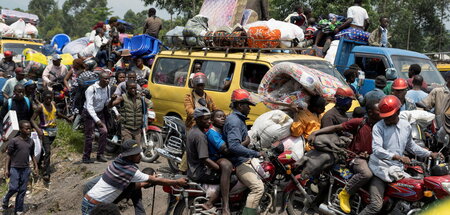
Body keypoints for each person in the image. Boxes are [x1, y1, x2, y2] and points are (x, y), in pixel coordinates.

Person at [361, 95, 441, 215]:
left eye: (389, 116)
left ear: (398, 112)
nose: (386, 119)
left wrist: (430, 153)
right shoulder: (378, 127)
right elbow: (376, 149)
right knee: (376, 206)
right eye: (385, 116)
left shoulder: (406, 126)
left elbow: (411, 146)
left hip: (397, 170)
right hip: (380, 170)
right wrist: (397, 157)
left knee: (417, 190)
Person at [308, 101, 381, 213]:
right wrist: (315, 133)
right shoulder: (359, 122)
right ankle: (345, 193)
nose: (382, 113)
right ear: (370, 113)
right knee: (366, 174)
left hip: (373, 159)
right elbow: (336, 128)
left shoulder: (382, 126)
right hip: (356, 159)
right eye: (379, 111)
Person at [82, 139, 188, 215]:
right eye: (137, 154)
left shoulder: (119, 161)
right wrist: (176, 182)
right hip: (94, 207)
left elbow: (139, 184)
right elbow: (154, 180)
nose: (141, 156)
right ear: (130, 156)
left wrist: (151, 181)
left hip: (90, 201)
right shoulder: (130, 172)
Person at [223, 89, 264, 215]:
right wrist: (255, 154)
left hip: (241, 158)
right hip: (238, 161)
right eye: (247, 105)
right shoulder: (234, 121)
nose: (250, 108)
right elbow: (234, 146)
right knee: (258, 188)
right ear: (240, 105)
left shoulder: (238, 119)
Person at [186, 108, 233, 215]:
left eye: (209, 119)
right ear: (197, 120)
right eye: (206, 119)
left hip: (193, 168)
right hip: (199, 172)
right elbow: (204, 159)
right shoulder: (200, 136)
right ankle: (212, 204)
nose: (209, 121)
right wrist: (220, 169)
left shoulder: (193, 130)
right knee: (230, 178)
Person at [83, 167, 156, 215]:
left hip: (106, 203)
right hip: (92, 198)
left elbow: (139, 209)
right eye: (152, 183)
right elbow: (88, 185)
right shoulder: (126, 179)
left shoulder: (136, 189)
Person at [2, 120, 38, 214]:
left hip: (26, 168)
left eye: (30, 128)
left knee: (22, 190)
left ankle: (18, 209)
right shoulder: (14, 141)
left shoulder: (31, 142)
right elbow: (9, 155)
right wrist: (6, 169)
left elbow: (32, 155)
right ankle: (6, 198)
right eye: (27, 129)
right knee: (14, 188)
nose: (29, 130)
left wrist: (36, 166)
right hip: (15, 168)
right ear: (21, 129)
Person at [32, 90, 69, 181]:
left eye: (50, 98)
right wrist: (38, 130)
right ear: (43, 98)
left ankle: (39, 163)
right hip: (44, 131)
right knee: (48, 151)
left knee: (45, 150)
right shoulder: (40, 107)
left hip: (53, 131)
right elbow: (32, 120)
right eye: (47, 98)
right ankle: (46, 173)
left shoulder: (53, 104)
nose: (49, 100)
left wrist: (67, 118)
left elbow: (57, 113)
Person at [82, 72, 111, 163]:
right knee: (90, 136)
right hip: (89, 114)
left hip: (100, 112)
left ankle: (100, 155)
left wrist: (114, 109)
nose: (107, 81)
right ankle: (86, 157)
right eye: (105, 79)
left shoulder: (108, 88)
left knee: (104, 132)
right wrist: (97, 120)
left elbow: (107, 102)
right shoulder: (91, 89)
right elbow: (89, 106)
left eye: (108, 79)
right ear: (100, 79)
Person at [417, 72, 450, 143]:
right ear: (447, 79)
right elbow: (423, 106)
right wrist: (423, 127)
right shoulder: (438, 91)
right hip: (442, 131)